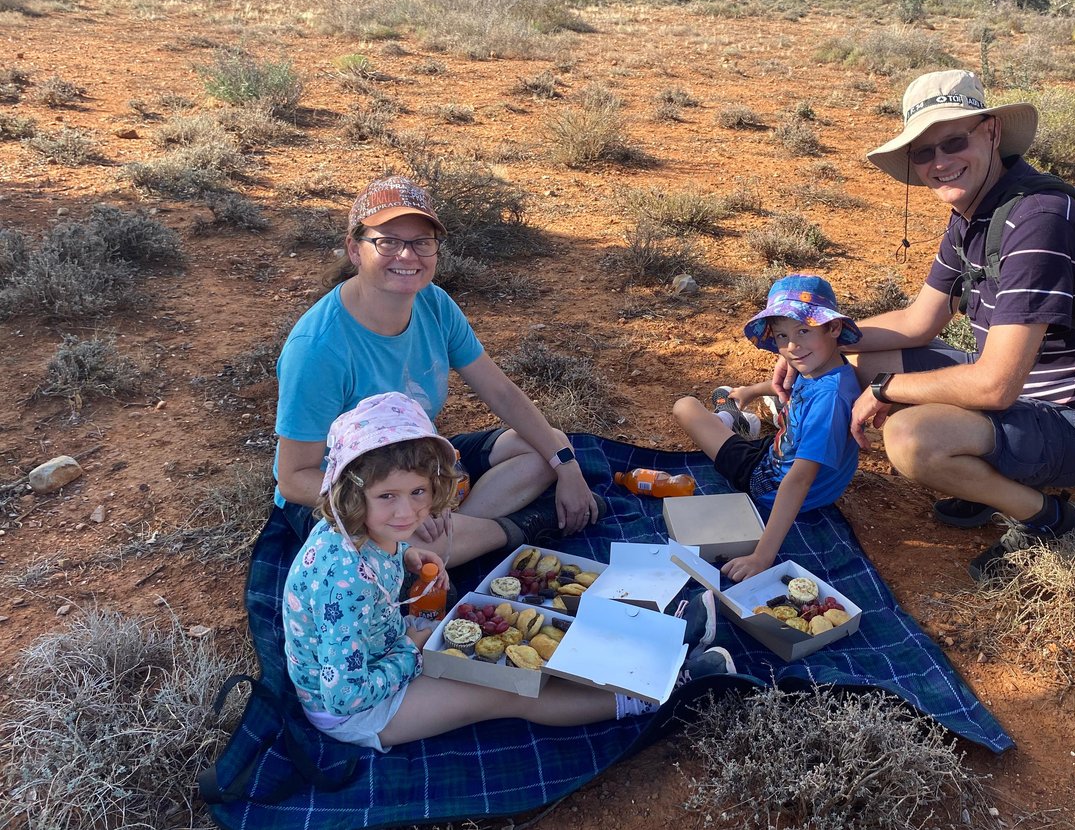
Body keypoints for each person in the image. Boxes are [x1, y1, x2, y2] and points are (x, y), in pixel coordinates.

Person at [815, 68, 1075, 581]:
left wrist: (887, 389)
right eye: (923, 153)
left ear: (990, 132)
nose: (940, 163)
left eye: (953, 141)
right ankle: (989, 475)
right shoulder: (976, 212)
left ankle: (1047, 518)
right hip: (1025, 392)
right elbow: (917, 322)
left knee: (912, 439)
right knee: (866, 354)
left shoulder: (1037, 222)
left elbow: (996, 384)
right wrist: (815, 344)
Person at [283, 392, 734, 751]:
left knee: (526, 634)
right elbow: (346, 694)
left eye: (419, 491)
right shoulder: (345, 587)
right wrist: (413, 649)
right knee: (512, 687)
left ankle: (657, 640)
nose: (408, 513)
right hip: (357, 710)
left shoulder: (354, 526)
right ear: (352, 492)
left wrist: (408, 557)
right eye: (389, 497)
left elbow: (377, 556)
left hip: (379, 647)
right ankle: (651, 692)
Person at [273, 174, 599, 566]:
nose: (407, 256)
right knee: (404, 549)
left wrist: (566, 464)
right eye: (387, 242)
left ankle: (455, 529)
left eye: (421, 243)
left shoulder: (434, 303)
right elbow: (293, 479)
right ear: (355, 250)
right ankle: (515, 530)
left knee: (545, 444)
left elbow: (501, 393)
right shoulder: (318, 349)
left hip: (415, 463)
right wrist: (402, 506)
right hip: (350, 485)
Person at [673, 274, 862, 582]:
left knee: (684, 407)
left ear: (834, 327)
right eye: (781, 337)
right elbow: (797, 386)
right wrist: (753, 391)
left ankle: (727, 418)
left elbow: (798, 480)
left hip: (765, 481)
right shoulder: (829, 368)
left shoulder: (829, 402)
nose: (792, 346)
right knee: (752, 425)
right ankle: (735, 417)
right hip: (777, 451)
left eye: (803, 330)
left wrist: (762, 556)